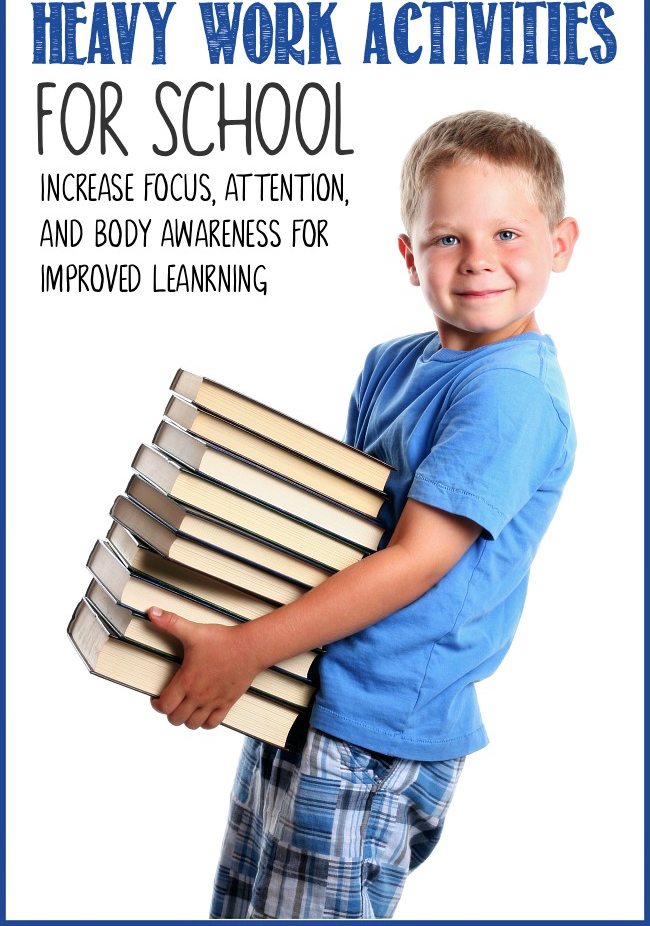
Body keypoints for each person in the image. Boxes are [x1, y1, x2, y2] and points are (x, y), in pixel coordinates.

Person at [148, 109, 579, 919]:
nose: (480, 260)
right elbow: (338, 527)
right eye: (448, 238)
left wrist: (244, 648)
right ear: (410, 255)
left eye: (509, 235)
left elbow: (415, 559)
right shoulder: (392, 363)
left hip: (376, 731)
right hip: (309, 686)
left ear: (559, 244)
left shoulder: (510, 394)